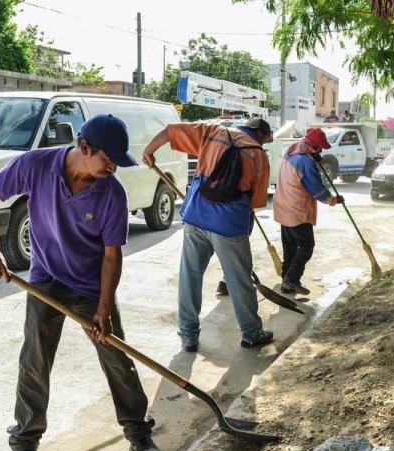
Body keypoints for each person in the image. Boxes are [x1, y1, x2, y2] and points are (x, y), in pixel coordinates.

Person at [0, 114, 162, 451]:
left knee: (116, 357)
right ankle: (25, 442)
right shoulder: (36, 166)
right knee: (35, 360)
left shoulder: (112, 192)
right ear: (85, 147)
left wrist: (104, 309)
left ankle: (138, 432)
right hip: (45, 281)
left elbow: (112, 255)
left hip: (93, 287)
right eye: (108, 159)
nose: (112, 168)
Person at [141, 118, 274, 352]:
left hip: (196, 217)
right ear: (261, 135)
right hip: (230, 225)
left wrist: (149, 151)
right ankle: (252, 333)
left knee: (190, 276)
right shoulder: (259, 156)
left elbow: (171, 131)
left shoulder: (214, 132)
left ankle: (189, 336)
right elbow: (256, 202)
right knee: (239, 280)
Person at [273, 128, 343, 295]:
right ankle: (291, 279)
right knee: (306, 246)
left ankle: (286, 279)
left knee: (289, 246)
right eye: (319, 147)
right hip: (297, 210)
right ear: (313, 145)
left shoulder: (292, 152)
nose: (320, 151)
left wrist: (313, 157)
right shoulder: (305, 161)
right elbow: (315, 187)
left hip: (283, 206)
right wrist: (332, 199)